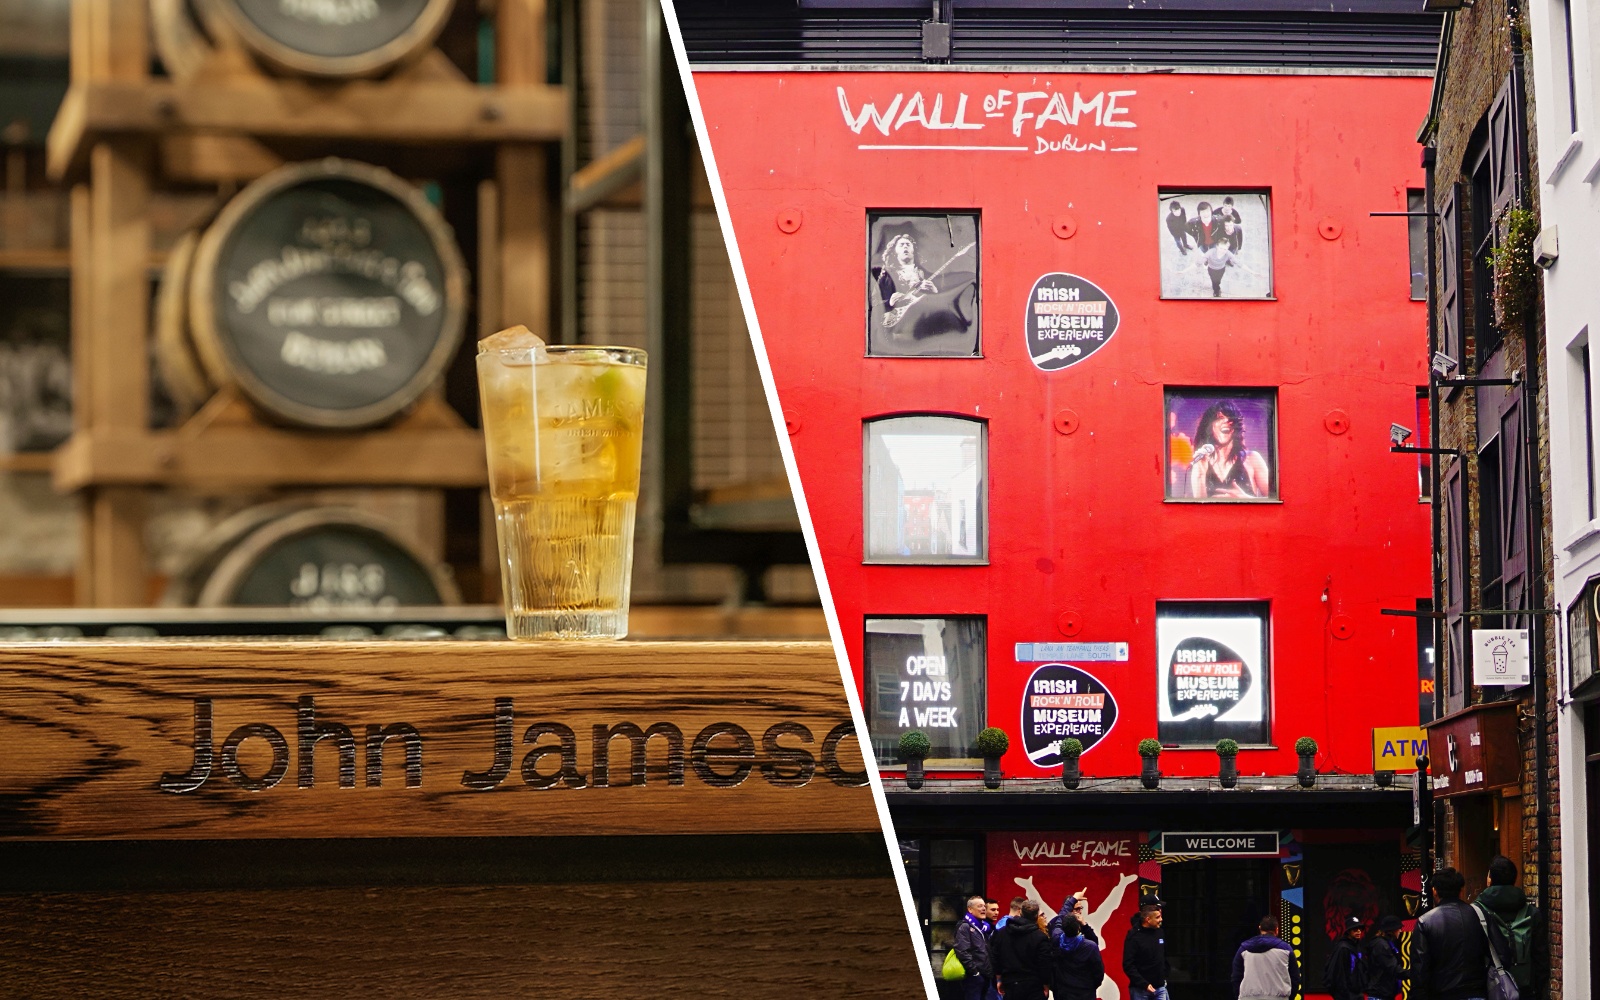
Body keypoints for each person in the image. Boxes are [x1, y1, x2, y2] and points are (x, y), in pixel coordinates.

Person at [1411, 867, 1488, 1000]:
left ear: (1435, 891)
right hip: (1476, 993)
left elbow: (1420, 970)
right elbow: (1499, 953)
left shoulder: (1425, 922)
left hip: (1443, 994)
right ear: (1460, 890)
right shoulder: (1479, 916)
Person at [1474, 855, 1539, 994]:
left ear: (1489, 880)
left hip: (1491, 989)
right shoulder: (1531, 912)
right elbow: (1541, 957)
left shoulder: (1476, 911)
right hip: (1525, 989)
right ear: (1514, 879)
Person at [1188, 400, 1272, 499]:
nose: (1226, 421)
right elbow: (1199, 509)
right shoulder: (1200, 464)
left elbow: (1276, 500)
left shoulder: (1252, 459)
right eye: (1220, 417)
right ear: (1210, 426)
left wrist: (1245, 499)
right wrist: (1200, 473)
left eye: (1230, 418)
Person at [994, 901, 1055, 1000]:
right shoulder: (1040, 937)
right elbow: (1044, 963)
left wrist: (999, 979)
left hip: (1010, 983)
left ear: (1020, 913)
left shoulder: (1002, 933)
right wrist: (1046, 985)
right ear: (1036, 916)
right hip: (1033, 985)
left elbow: (996, 957)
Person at [1231, 913, 1299, 1000]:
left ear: (1260, 928)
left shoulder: (1243, 949)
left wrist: (1241, 996)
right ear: (1276, 930)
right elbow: (1295, 978)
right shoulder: (1286, 949)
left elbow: (1236, 977)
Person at [1052, 914, 1107, 1000]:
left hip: (1064, 993)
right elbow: (1098, 972)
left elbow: (1057, 925)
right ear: (1078, 928)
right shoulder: (1090, 947)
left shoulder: (1057, 941)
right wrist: (1091, 987)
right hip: (1085, 992)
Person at [1122, 900, 1168, 999]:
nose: (1161, 919)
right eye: (1157, 917)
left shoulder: (1160, 932)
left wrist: (1165, 976)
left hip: (1160, 987)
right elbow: (1128, 965)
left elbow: (1163, 955)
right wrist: (1143, 984)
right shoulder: (1134, 936)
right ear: (1147, 919)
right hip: (1140, 989)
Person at [955, 895, 995, 1000]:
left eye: (984, 906)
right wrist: (975, 973)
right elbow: (962, 951)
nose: (983, 909)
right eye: (979, 906)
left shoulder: (984, 927)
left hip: (986, 975)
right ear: (970, 909)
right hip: (974, 977)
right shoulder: (965, 927)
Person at [1324, 915, 1368, 1000]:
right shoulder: (1343, 948)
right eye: (1355, 929)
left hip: (1358, 994)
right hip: (1346, 996)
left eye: (1360, 929)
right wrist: (1344, 995)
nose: (1358, 931)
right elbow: (1338, 974)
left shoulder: (1357, 947)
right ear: (1348, 931)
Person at [1363, 915, 1407, 1000]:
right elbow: (1393, 968)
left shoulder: (1385, 943)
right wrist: (1414, 973)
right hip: (1379, 995)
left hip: (1382, 994)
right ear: (1392, 930)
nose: (1400, 931)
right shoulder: (1381, 945)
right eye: (1399, 928)